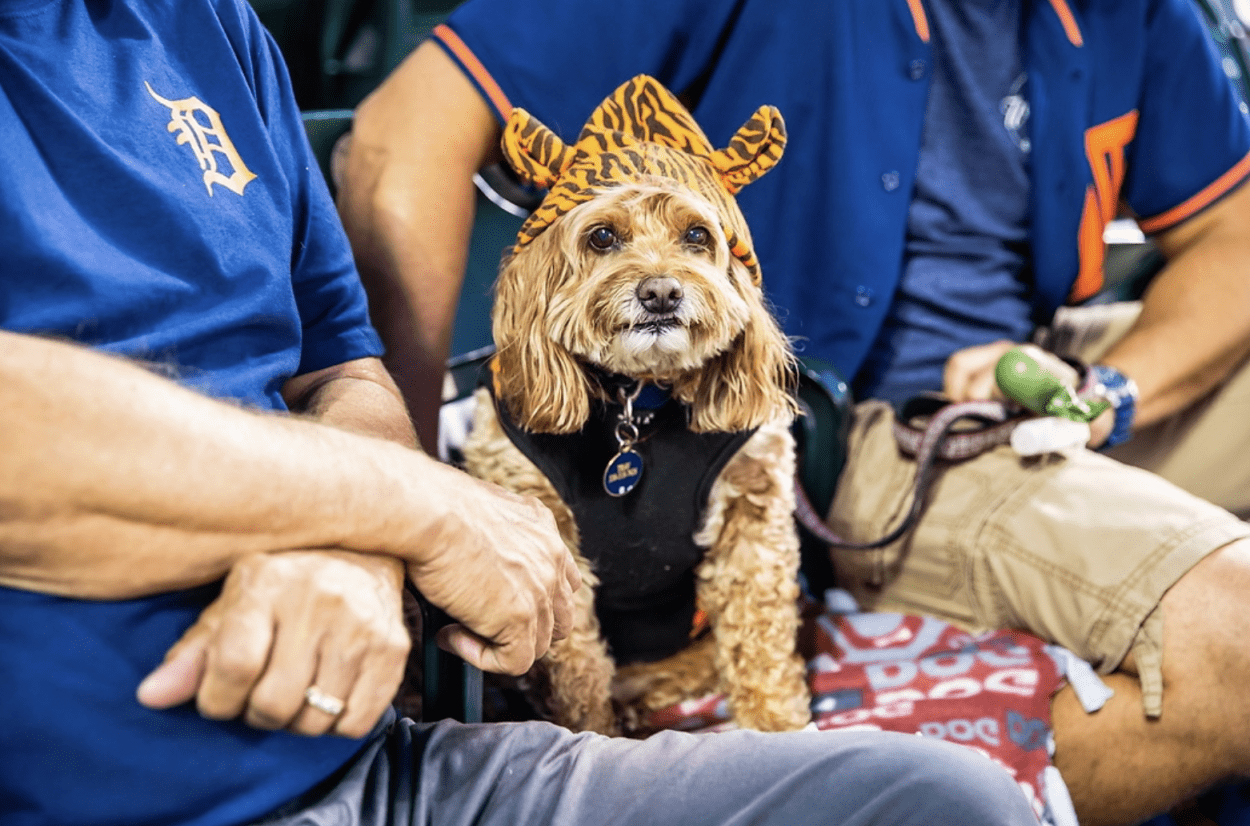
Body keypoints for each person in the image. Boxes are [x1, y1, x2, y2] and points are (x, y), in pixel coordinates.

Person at [0, 2, 1044, 826]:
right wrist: (413, 512)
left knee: (952, 802)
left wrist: (352, 539)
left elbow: (344, 367)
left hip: (391, 771)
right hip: (95, 782)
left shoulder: (213, 27)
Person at [335, 1, 1250, 824]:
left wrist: (1109, 392)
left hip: (1043, 358)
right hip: (870, 418)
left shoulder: (1142, 16)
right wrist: (406, 496)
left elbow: (1233, 235)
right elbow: (396, 143)